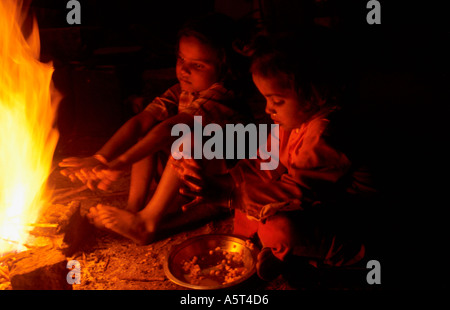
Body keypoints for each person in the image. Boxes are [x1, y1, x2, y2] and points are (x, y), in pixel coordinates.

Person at [172, 32, 377, 281]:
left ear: (313, 96)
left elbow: (299, 191)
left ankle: (332, 263)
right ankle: (262, 250)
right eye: (266, 99)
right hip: (312, 203)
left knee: (278, 228)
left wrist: (227, 195)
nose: (268, 109)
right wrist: (216, 179)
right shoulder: (292, 119)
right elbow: (263, 164)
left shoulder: (327, 133)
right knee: (249, 202)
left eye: (277, 101)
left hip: (347, 218)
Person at [58, 13, 249, 244]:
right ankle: (133, 210)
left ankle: (147, 223)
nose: (184, 70)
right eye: (181, 59)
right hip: (190, 173)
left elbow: (169, 129)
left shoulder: (223, 94)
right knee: (147, 131)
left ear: (224, 68)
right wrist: (102, 157)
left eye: (197, 65)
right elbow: (141, 121)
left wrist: (120, 163)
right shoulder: (182, 90)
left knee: (185, 141)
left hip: (222, 180)